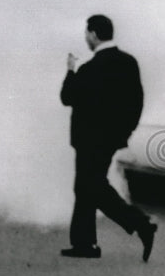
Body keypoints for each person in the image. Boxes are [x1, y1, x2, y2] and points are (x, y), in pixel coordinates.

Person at [60, 15, 156, 260]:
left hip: (87, 141)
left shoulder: (89, 68)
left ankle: (140, 224)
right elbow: (137, 101)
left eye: (86, 33)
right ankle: (85, 244)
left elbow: (67, 97)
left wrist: (70, 69)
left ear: (93, 34)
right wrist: (125, 132)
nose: (85, 38)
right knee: (87, 186)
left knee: (91, 186)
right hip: (110, 140)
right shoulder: (128, 62)